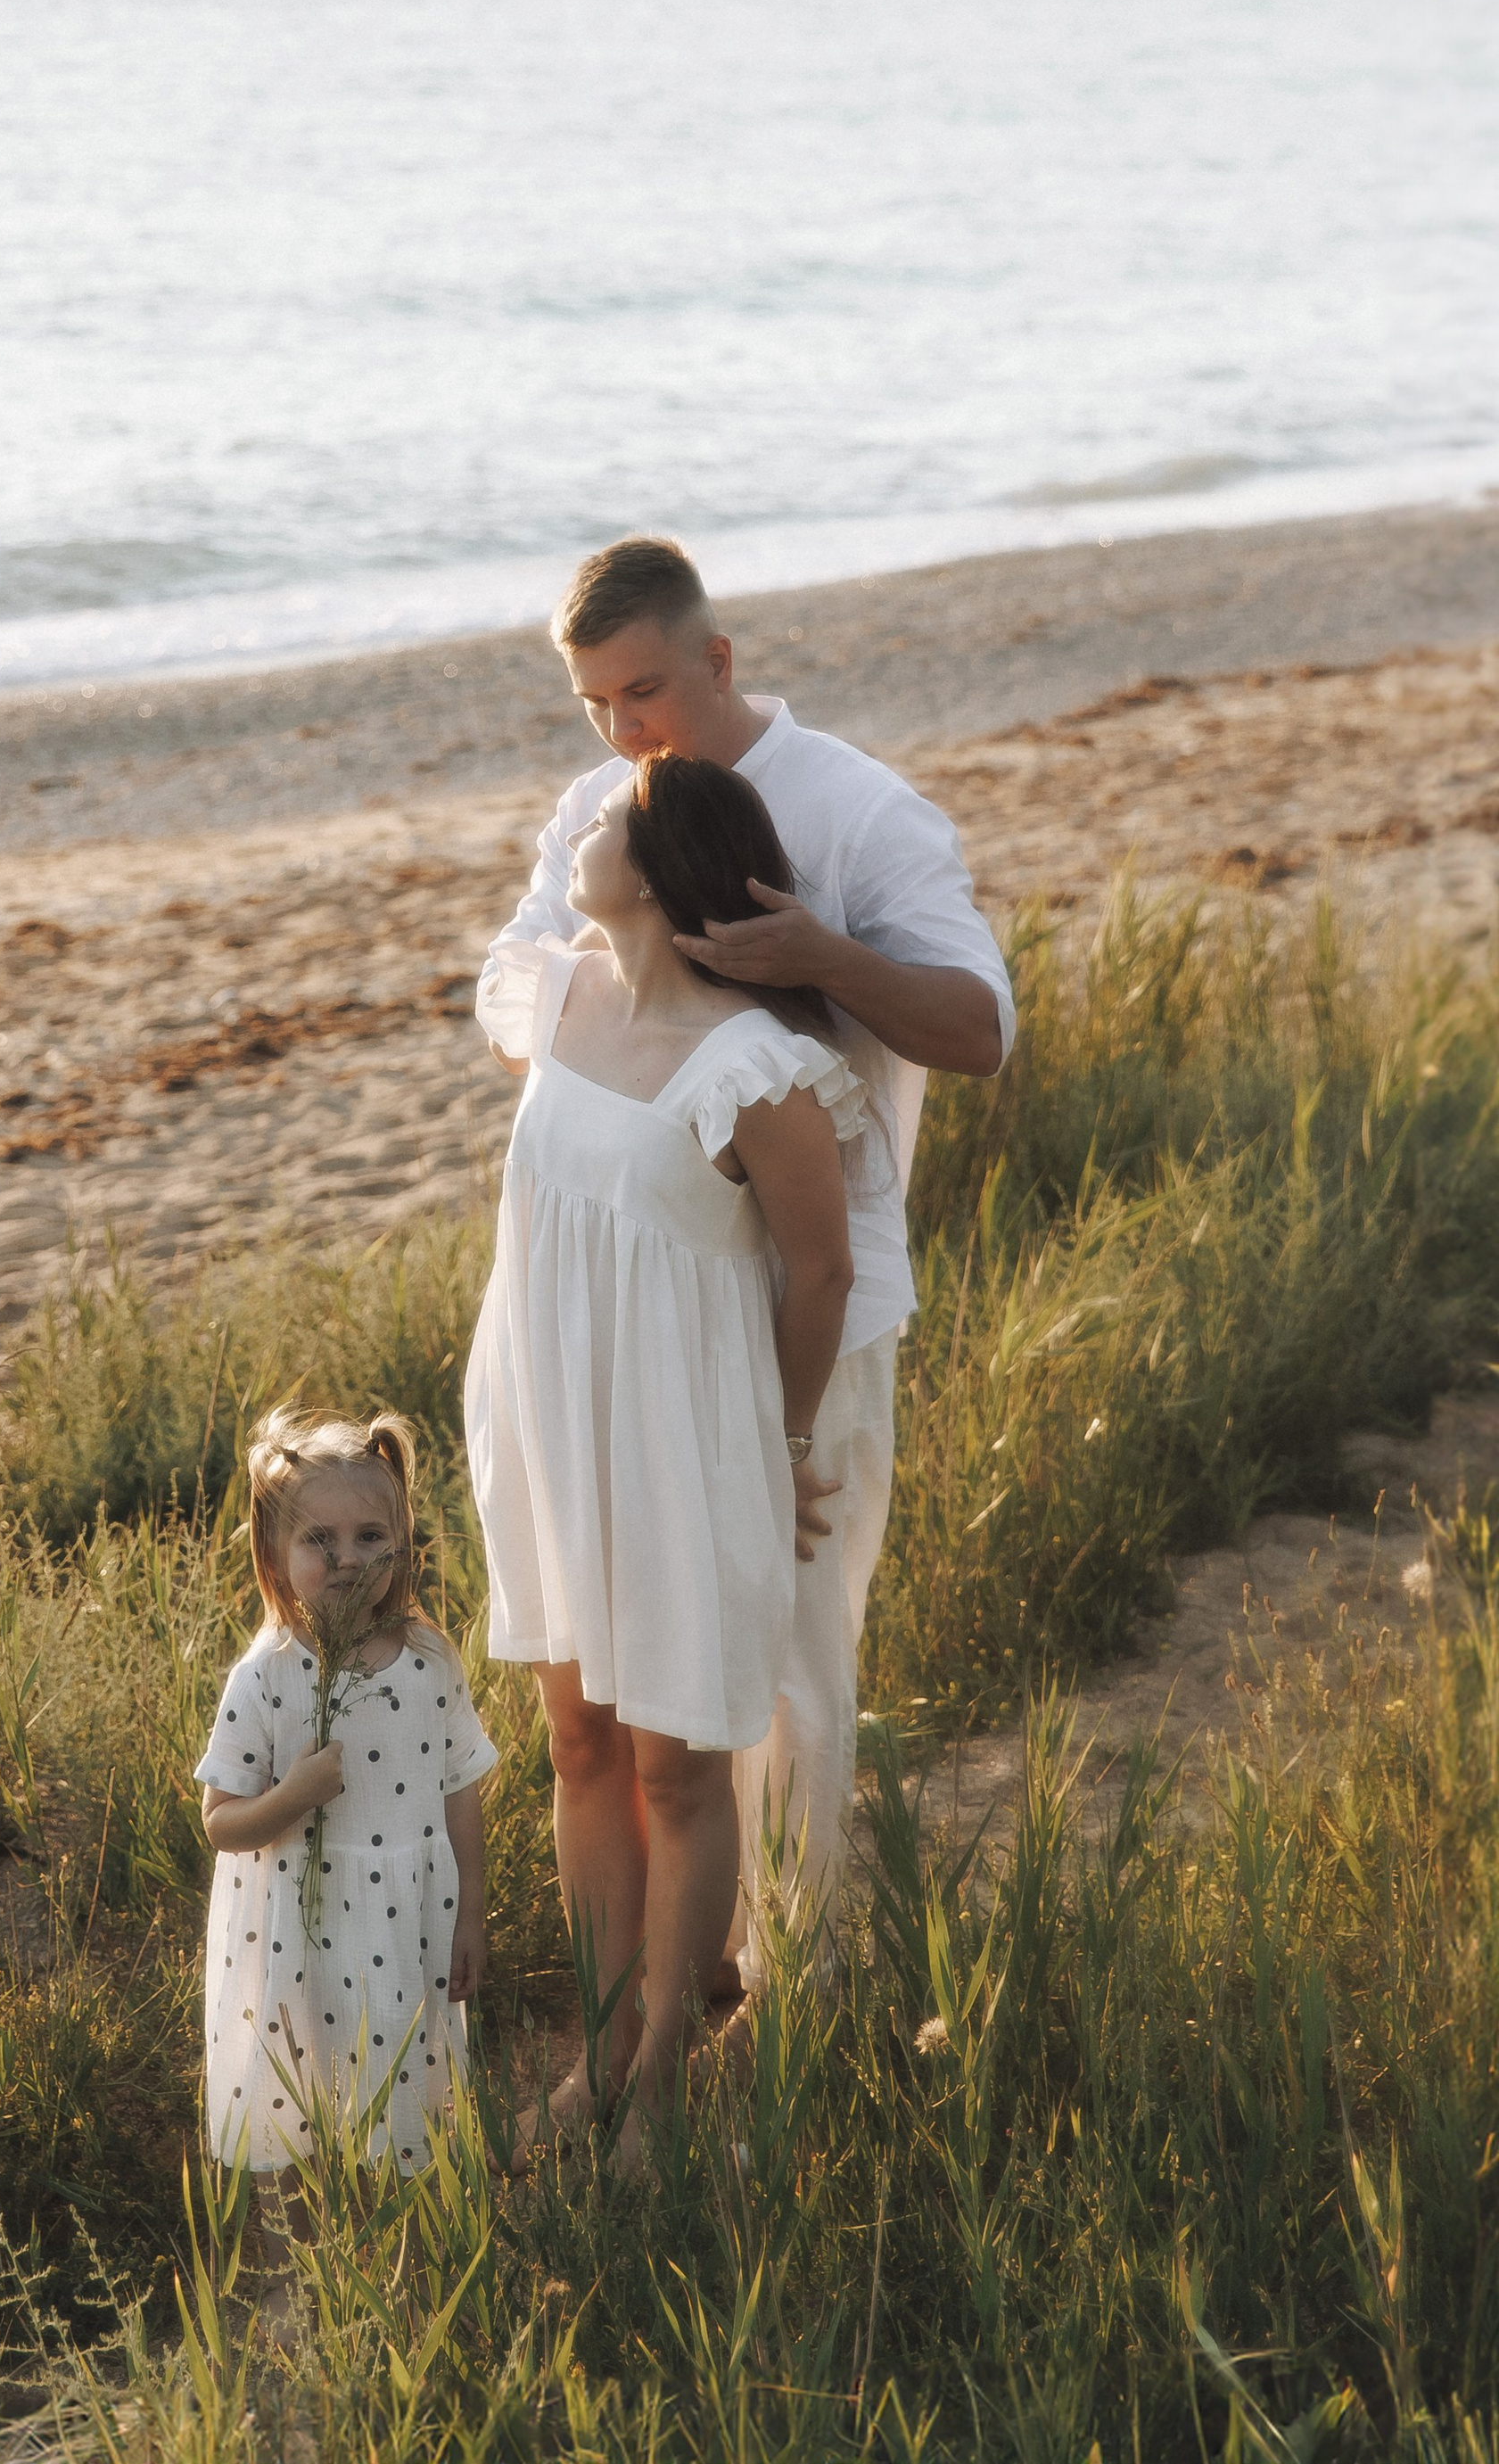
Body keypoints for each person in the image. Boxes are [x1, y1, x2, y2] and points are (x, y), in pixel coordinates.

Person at [476, 534, 1014, 1997]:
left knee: (784, 1660)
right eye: (593, 699)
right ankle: (672, 1983)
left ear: (717, 658)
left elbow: (977, 1028)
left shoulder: (858, 807)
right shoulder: (598, 807)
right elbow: (514, 986)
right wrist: (641, 1025)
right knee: (622, 1663)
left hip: (804, 1311)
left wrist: (814, 960)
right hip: (624, 1313)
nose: (619, 728)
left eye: (642, 687)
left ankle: (799, 1986)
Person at [465, 750, 872, 2147]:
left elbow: (820, 1274)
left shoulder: (757, 1069)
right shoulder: (561, 989)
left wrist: (788, 1438)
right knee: (580, 1748)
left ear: (655, 870)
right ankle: (599, 2053)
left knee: (677, 1772)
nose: (579, 821)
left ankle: (657, 2099)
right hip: (549, 1415)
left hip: (684, 1446)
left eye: (609, 818)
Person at [195, 1405, 498, 2175]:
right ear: (274, 1552)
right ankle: (298, 2244)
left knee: (399, 2071)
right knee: (299, 2081)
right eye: (318, 1541)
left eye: (370, 1537)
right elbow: (222, 1823)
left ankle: (400, 2230)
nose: (347, 1560)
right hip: (297, 1928)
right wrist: (293, 1794)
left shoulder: (430, 1660)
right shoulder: (266, 1675)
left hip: (406, 1923)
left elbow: (459, 1790)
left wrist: (471, 1912)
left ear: (400, 1543)